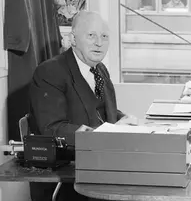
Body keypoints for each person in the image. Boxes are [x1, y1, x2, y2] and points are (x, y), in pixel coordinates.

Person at [29, 10, 135, 146]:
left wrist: (124, 119)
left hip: (103, 150)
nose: (99, 43)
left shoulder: (101, 69)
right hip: (71, 156)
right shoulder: (49, 72)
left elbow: (101, 111)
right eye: (91, 35)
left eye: (104, 36)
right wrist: (104, 133)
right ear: (73, 39)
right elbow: (52, 129)